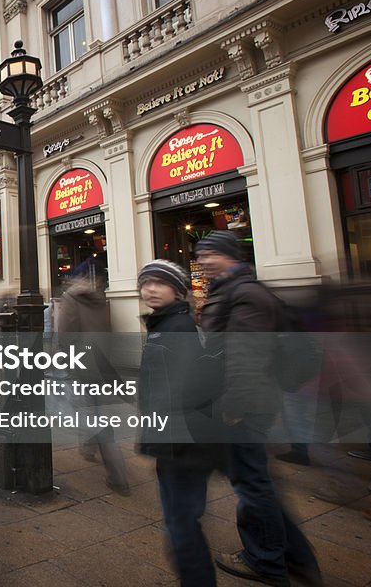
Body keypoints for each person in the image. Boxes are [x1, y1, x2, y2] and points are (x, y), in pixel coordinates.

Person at [195, 230, 321, 587]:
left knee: (253, 484)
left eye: (209, 254)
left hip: (246, 401)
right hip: (247, 399)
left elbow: (245, 356)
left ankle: (266, 560)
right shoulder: (232, 290)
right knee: (258, 481)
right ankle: (298, 558)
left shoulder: (245, 294)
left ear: (230, 255)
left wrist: (234, 407)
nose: (202, 260)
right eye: (199, 255)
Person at [135, 260, 227, 586]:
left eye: (160, 283)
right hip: (185, 442)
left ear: (178, 289)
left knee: (181, 522)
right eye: (146, 283)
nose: (150, 289)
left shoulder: (176, 330)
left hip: (182, 446)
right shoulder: (169, 325)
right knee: (183, 519)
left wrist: (161, 440)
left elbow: (176, 392)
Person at [56, 257, 130, 495]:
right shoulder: (100, 298)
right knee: (94, 406)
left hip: (83, 363)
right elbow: (112, 329)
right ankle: (87, 446)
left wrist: (67, 360)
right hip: (102, 362)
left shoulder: (71, 298)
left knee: (92, 413)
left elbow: (65, 335)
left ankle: (117, 472)